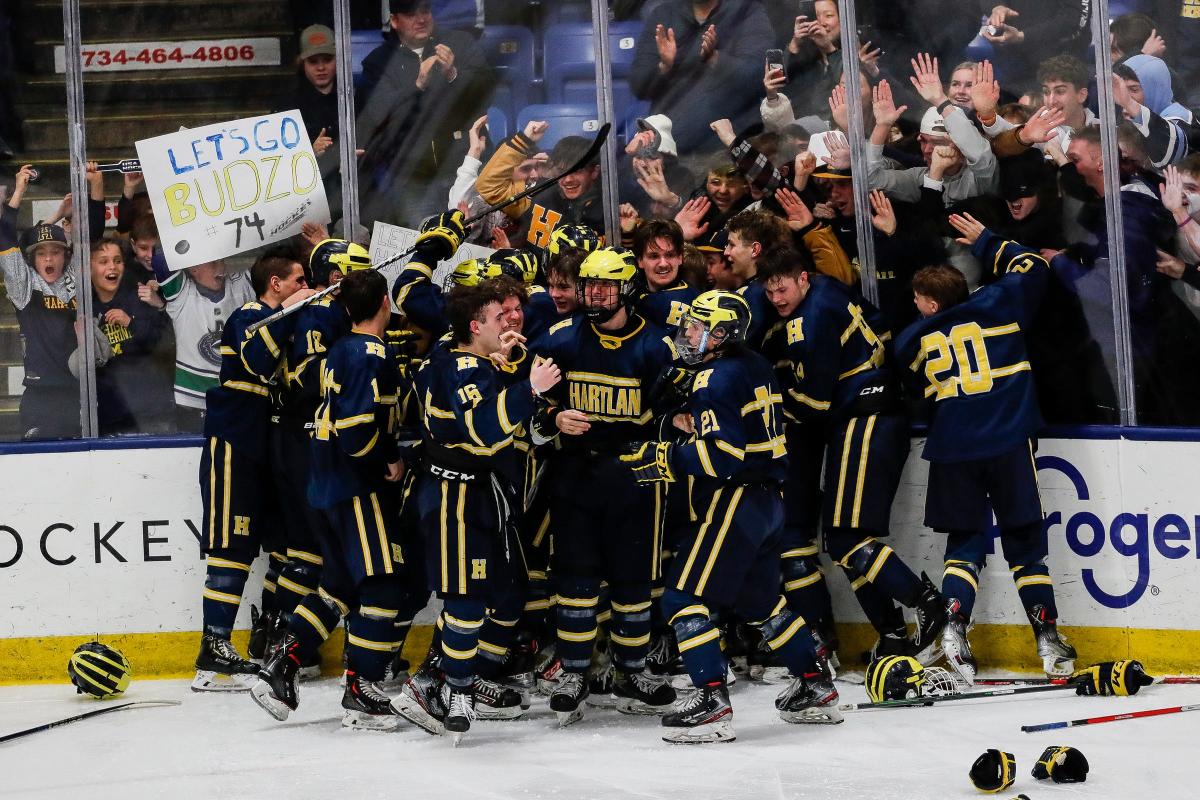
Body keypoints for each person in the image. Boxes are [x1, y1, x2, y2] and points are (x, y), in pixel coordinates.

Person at [619, 290, 841, 743]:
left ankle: (711, 701)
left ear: (723, 335)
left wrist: (665, 457)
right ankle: (816, 685)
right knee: (762, 604)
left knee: (683, 599)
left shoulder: (715, 379)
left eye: (700, 328)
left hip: (734, 499)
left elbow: (722, 455)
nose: (689, 334)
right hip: (768, 502)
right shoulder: (751, 363)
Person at [894, 212, 1078, 684]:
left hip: (955, 449)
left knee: (964, 545)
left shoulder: (911, 339)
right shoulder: (1000, 301)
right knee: (1025, 547)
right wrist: (986, 241)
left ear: (932, 304)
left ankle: (954, 633)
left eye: (918, 300)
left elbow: (916, 386)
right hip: (1008, 445)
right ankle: (1048, 640)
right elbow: (1036, 267)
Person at [400, 247, 563, 741]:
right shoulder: (464, 370)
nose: (510, 322)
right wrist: (529, 388)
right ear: (475, 325)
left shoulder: (470, 362)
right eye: (499, 316)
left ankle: (449, 682)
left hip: (478, 497)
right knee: (467, 600)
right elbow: (482, 432)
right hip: (456, 500)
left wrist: (512, 370)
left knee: (500, 592)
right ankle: (449, 685)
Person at [757, 247, 948, 665]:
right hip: (868, 415)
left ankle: (930, 605)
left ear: (802, 278)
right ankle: (894, 635)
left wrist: (769, 404)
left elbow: (813, 403)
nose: (777, 299)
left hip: (867, 419)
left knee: (845, 540)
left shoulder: (809, 321)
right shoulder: (827, 287)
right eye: (769, 292)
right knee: (842, 542)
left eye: (783, 288)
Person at [252, 269, 419, 730]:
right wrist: (387, 460)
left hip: (325, 482)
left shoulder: (341, 347)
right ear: (385, 301)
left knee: (342, 585)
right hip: (355, 485)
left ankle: (282, 661)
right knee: (384, 581)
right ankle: (361, 687)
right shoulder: (369, 352)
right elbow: (357, 427)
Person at [531, 247, 679, 724]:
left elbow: (673, 418)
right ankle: (574, 672)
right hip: (576, 477)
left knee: (633, 581)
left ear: (625, 290)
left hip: (636, 479)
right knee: (574, 578)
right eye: (589, 286)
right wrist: (554, 415)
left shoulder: (656, 347)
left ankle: (632, 670)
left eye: (604, 287)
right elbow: (527, 403)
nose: (594, 294)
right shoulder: (560, 339)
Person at [192, 248, 315, 692]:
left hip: (264, 447)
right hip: (234, 441)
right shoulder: (250, 312)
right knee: (231, 547)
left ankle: (267, 634)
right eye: (298, 279)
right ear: (276, 283)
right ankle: (213, 650)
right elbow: (257, 360)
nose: (305, 286)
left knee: (280, 544)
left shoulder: (286, 318)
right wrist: (290, 309)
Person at [356, 0, 492, 226]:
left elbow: (485, 93)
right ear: (394, 20)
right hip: (412, 180)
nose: (421, 19)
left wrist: (452, 74)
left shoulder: (461, 42)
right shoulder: (377, 63)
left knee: (473, 239)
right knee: (423, 244)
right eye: (411, 13)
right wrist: (417, 85)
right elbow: (379, 116)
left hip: (463, 164)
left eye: (425, 11)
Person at [630, 0, 775, 156]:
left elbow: (758, 77)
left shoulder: (747, 12)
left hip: (729, 146)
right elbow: (638, 86)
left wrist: (714, 59)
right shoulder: (664, 14)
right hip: (672, 152)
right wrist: (664, 66)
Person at [151, 259, 255, 433]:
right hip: (192, 397)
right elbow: (161, 258)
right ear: (193, 268)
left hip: (238, 395)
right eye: (213, 263)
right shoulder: (182, 293)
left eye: (222, 261)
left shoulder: (242, 283)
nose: (221, 268)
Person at [88, 236, 172, 435]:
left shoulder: (141, 296)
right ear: (88, 268)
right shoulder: (84, 305)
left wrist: (131, 323)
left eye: (117, 261)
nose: (112, 267)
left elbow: (162, 343)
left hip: (149, 414)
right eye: (103, 261)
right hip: (107, 417)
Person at [476, 122, 605, 248]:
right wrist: (523, 141)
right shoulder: (540, 192)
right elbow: (488, 187)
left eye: (577, 171)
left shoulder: (607, 211)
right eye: (562, 171)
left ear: (594, 171)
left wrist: (626, 232)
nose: (568, 179)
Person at [631, 218, 699, 335]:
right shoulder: (634, 290)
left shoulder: (692, 301)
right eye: (654, 256)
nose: (663, 264)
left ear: (680, 257)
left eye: (669, 255)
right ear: (640, 261)